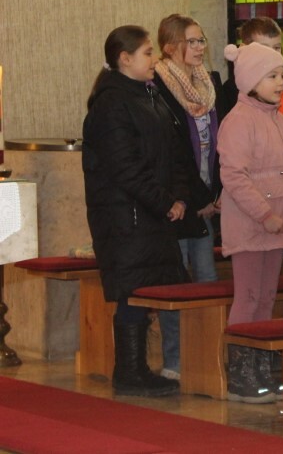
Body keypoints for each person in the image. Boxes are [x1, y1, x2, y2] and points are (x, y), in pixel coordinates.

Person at [82, 25, 189, 398]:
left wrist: (179, 196)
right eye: (147, 53)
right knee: (133, 290)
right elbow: (124, 167)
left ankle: (137, 369)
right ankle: (128, 371)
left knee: (143, 290)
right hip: (125, 216)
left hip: (150, 214)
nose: (154, 59)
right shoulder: (111, 104)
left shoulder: (150, 95)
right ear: (124, 59)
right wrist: (164, 201)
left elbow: (175, 153)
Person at [218, 42, 283, 403]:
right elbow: (234, 176)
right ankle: (241, 373)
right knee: (248, 296)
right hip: (252, 223)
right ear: (251, 81)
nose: (280, 82)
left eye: (282, 75)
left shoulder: (278, 119)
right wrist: (265, 214)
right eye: (271, 76)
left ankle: (261, 365)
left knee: (267, 297)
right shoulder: (238, 120)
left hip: (276, 223)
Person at [152, 13, 224, 381]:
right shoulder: (158, 87)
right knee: (176, 282)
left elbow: (218, 143)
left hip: (207, 198)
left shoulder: (209, 84)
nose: (199, 47)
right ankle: (175, 361)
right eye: (191, 41)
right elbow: (175, 151)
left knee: (208, 279)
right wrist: (197, 197)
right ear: (170, 47)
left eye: (201, 40)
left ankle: (207, 358)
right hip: (179, 200)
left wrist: (216, 193)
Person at [219, 17, 283, 122]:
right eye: (264, 48)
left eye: (276, 48)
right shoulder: (230, 91)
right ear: (244, 49)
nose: (272, 54)